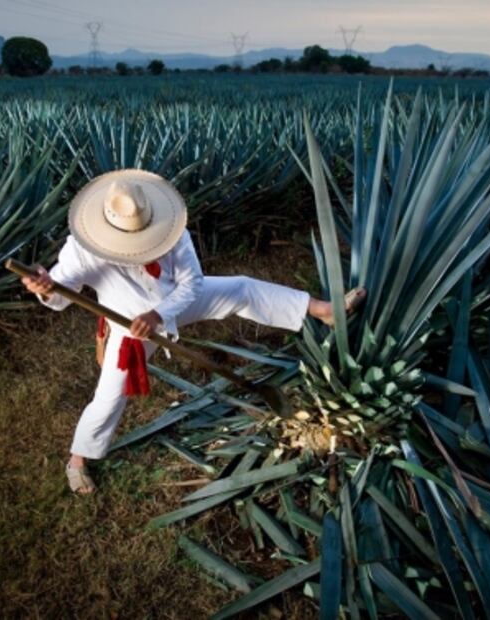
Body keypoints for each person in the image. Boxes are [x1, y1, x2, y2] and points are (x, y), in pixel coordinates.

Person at [20, 169, 364, 494]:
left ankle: (322, 311)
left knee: (241, 288)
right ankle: (78, 458)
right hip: (131, 327)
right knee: (111, 393)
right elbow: (62, 291)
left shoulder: (170, 229)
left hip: (173, 303)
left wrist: (159, 313)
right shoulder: (84, 247)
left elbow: (192, 283)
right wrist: (46, 288)